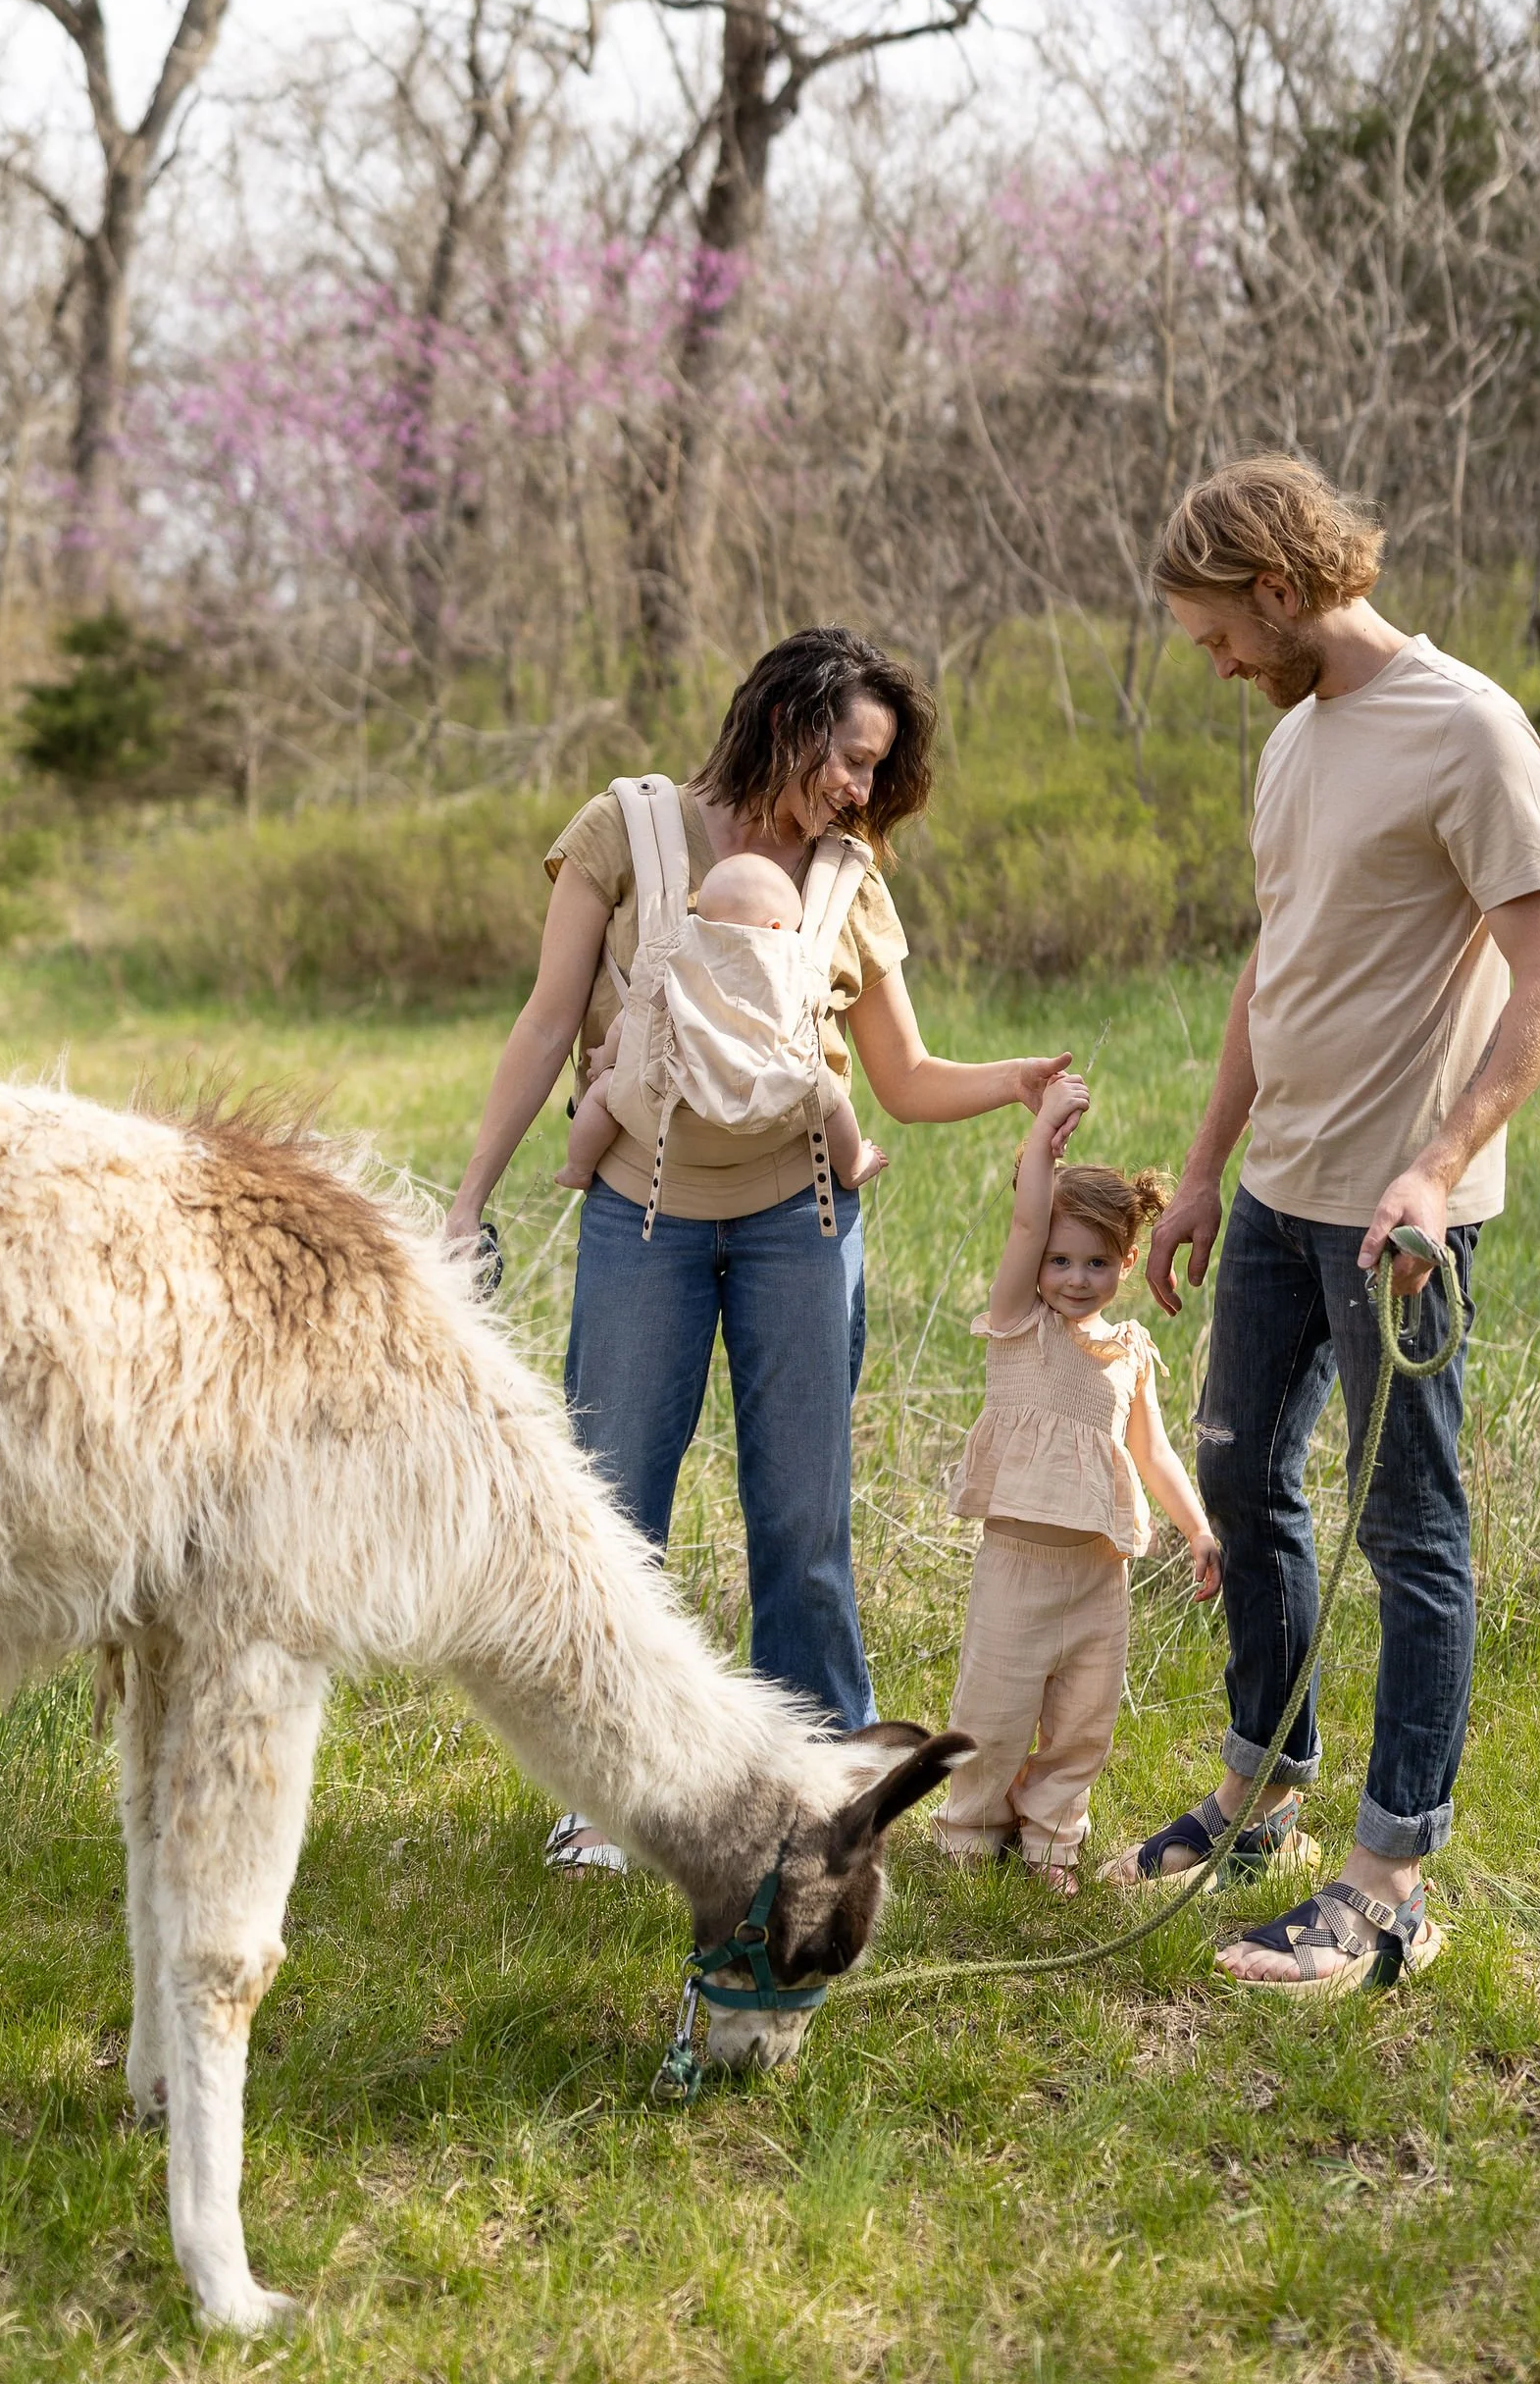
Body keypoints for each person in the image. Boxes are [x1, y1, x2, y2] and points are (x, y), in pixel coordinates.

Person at [444, 624, 1073, 1872]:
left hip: (802, 1224)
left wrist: (1013, 1081)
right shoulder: (623, 829)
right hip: (641, 1217)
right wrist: (470, 1199)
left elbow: (896, 1078)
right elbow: (546, 1019)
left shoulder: (850, 882)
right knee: (616, 1507)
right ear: (781, 719)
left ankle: (824, 1779)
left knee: (802, 1517)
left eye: (873, 770)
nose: (856, 788)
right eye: (846, 757)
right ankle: (611, 1789)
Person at [1102, 456, 1540, 1997]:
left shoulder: (1470, 727)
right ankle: (1263, 1793)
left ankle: (1389, 1886)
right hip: (1274, 1192)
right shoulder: (1294, 738)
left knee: (1413, 1531)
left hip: (1399, 1218)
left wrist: (1441, 1169)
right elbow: (1275, 962)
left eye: (1219, 637)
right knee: (1242, 1480)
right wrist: (1197, 1171)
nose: (1219, 667)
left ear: (1284, 588)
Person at [933, 1071, 1221, 1895]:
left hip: (1099, 1577)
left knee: (1081, 1725)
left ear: (1128, 1261)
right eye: (1059, 1259)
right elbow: (1029, 1217)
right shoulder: (1020, 1324)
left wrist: (1199, 1529)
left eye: (1096, 1261)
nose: (1074, 1277)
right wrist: (1044, 1131)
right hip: (1017, 1570)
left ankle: (1051, 1837)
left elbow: (1155, 1453)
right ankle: (971, 1827)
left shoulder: (1129, 1351)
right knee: (991, 1715)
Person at [557, 852, 887, 1198]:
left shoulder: (682, 957)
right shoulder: (790, 962)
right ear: (776, 927)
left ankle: (579, 1168)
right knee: (829, 1096)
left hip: (685, 1085)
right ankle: (852, 1166)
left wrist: (605, 1058)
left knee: (602, 1095)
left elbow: (633, 1020)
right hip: (774, 1084)